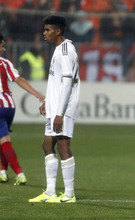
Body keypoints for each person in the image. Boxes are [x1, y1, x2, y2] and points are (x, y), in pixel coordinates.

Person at [29, 15, 80, 203]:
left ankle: (69, 194)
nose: (44, 33)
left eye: (48, 30)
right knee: (47, 144)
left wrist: (59, 113)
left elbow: (67, 84)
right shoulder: (59, 50)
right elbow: (57, 82)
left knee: (63, 144)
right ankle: (50, 192)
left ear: (58, 31)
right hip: (55, 105)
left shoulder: (66, 51)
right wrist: (47, 102)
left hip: (63, 108)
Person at [0, 33, 44, 185]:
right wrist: (37, 94)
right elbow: (18, 79)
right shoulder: (5, 63)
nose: (4, 49)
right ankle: (3, 172)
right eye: (2, 46)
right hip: (9, 106)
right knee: (2, 137)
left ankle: (20, 173)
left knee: (4, 139)